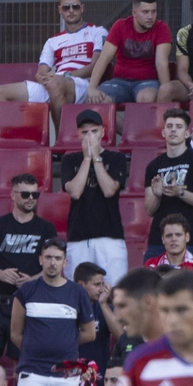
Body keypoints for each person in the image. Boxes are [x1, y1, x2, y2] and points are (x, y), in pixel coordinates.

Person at [0, 174, 58, 372]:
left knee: (24, 358)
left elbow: (56, 264)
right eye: (25, 194)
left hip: (30, 301)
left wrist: (33, 279)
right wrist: (0, 274)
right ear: (13, 195)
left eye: (35, 194)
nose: (31, 198)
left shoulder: (45, 228)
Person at [10, 239, 95, 386]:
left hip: (65, 375)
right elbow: (15, 333)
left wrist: (65, 346)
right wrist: (35, 348)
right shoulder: (26, 291)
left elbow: (90, 333)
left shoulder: (78, 293)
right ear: (40, 259)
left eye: (57, 258)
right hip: (32, 372)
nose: (52, 263)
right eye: (48, 257)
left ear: (65, 262)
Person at [0, 0, 107, 124]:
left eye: (75, 7)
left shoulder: (97, 32)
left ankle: (60, 141)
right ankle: (15, 138)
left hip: (81, 84)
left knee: (55, 83)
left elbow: (95, 66)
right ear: (60, 11)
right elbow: (40, 74)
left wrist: (65, 76)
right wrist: (45, 79)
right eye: (66, 8)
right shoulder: (53, 41)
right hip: (54, 83)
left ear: (82, 8)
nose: (71, 11)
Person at [53, 110, 130, 283]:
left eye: (94, 131)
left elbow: (109, 190)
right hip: (79, 237)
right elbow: (75, 191)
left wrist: (96, 158)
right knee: (78, 293)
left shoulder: (116, 158)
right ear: (78, 134)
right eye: (85, 132)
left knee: (114, 291)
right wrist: (87, 159)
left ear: (102, 132)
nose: (90, 136)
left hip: (110, 236)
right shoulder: (70, 159)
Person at [143, 108, 193, 249]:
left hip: (189, 239)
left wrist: (179, 193)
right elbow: (149, 210)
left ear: (187, 133)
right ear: (163, 132)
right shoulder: (153, 166)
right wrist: (157, 196)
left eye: (179, 127)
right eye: (169, 126)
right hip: (159, 239)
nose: (173, 130)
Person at [86, 0, 172, 105]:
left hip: (148, 82)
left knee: (146, 98)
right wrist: (92, 88)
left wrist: (165, 92)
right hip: (119, 82)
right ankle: (122, 124)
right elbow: (104, 59)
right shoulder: (120, 26)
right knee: (96, 100)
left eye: (154, 12)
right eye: (145, 12)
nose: (150, 16)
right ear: (134, 13)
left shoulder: (161, 28)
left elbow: (161, 63)